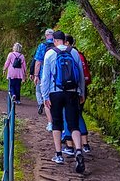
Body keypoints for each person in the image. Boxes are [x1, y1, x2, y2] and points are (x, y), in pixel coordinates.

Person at [41, 30, 86, 173]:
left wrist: (45, 96)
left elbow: (45, 78)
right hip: (72, 92)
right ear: (64, 40)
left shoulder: (49, 53)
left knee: (57, 123)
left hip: (55, 93)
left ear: (54, 40)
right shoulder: (74, 53)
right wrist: (81, 92)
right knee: (73, 124)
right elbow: (80, 74)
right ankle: (78, 150)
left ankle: (59, 155)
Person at [62, 34, 91, 154]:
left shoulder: (68, 54)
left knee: (68, 116)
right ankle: (85, 144)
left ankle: (69, 145)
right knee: (78, 115)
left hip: (69, 89)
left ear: (67, 43)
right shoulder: (80, 54)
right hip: (81, 89)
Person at [33, 29, 55, 129]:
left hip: (44, 75)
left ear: (46, 36)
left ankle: (50, 123)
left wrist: (36, 75)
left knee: (45, 97)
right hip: (57, 77)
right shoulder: (58, 45)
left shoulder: (42, 46)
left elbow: (38, 62)